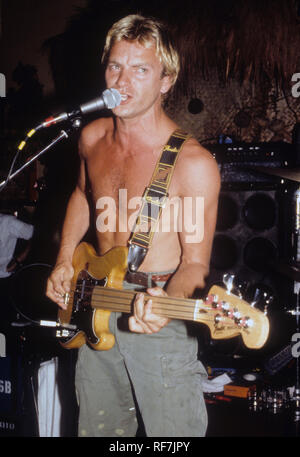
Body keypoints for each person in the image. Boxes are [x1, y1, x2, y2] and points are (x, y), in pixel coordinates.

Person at [46, 14, 220, 437]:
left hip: (155, 303)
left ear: (166, 80)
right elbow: (80, 198)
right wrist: (65, 259)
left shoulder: (192, 164)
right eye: (115, 66)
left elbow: (195, 266)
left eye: (140, 69)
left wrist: (162, 304)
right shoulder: (91, 138)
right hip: (94, 301)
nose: (122, 81)